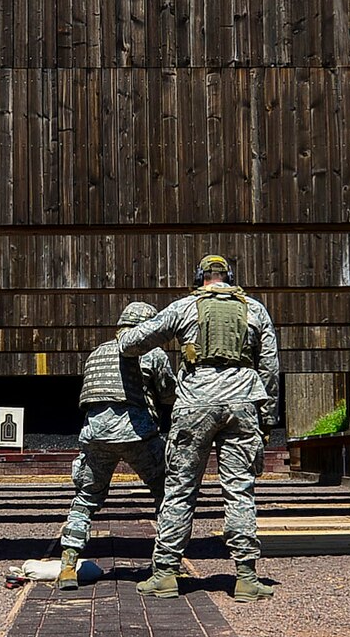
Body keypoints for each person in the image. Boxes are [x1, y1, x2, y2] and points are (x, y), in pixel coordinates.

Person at [117, 255, 281, 602]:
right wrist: (267, 418)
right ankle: (246, 577)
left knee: (180, 488)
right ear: (230, 278)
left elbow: (132, 343)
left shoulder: (185, 307)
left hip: (195, 404)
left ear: (199, 278)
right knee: (240, 489)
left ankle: (164, 572)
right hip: (242, 402)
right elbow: (269, 367)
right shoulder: (255, 310)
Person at [53, 301, 176, 590]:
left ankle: (68, 565)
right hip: (138, 433)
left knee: (86, 498)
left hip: (95, 434)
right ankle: (168, 565)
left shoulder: (97, 353)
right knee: (167, 493)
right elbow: (169, 394)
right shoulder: (152, 352)